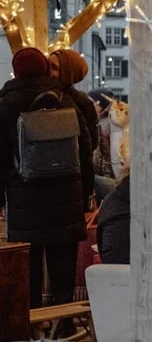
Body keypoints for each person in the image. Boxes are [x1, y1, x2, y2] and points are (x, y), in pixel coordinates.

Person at [0, 47, 91, 307]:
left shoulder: (6, 103)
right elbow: (85, 149)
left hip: (24, 203)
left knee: (27, 274)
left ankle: (30, 332)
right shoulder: (67, 99)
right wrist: (84, 196)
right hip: (66, 202)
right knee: (63, 275)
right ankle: (62, 330)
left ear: (16, 71)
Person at [48, 48, 99, 205]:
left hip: (66, 180)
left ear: (67, 73)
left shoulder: (81, 103)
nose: (48, 72)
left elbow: (90, 145)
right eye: (47, 65)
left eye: (54, 68)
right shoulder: (83, 102)